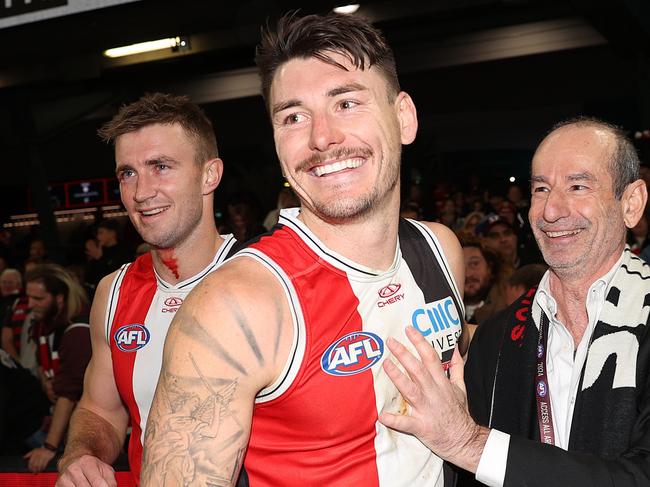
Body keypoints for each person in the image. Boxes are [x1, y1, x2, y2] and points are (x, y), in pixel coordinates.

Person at [142, 11, 465, 487]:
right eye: (294, 116)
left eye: (347, 103)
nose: (322, 138)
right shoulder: (237, 305)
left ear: (403, 118)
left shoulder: (439, 249)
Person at [378, 117, 650, 486]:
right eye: (540, 189)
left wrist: (469, 444)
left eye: (578, 185)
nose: (551, 211)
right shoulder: (498, 338)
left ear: (631, 203)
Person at [56, 93, 239, 486]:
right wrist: (81, 455)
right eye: (128, 173)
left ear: (210, 175)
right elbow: (102, 410)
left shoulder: (265, 279)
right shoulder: (114, 292)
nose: (141, 192)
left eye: (160, 167)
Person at [23, 264, 91, 473]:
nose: (30, 304)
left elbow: (69, 394)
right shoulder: (45, 323)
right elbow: (46, 369)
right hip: (60, 418)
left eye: (38, 299)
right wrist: (47, 382)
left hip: (85, 428)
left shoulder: (78, 331)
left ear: (59, 298)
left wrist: (49, 447)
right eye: (29, 297)